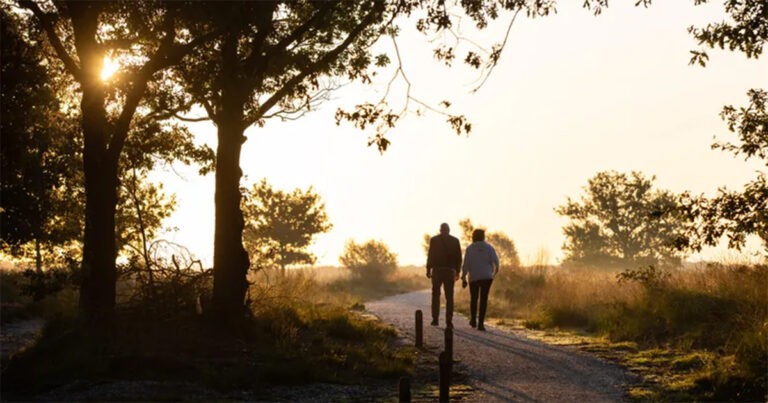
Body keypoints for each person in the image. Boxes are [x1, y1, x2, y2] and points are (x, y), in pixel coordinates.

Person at [461, 229, 499, 331]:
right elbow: (497, 262)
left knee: (474, 298)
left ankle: (473, 320)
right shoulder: (489, 247)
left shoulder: (470, 248)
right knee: (483, 299)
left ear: (473, 236)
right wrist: (493, 274)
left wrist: (463, 277)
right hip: (487, 277)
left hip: (474, 277)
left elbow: (466, 265)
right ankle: (481, 324)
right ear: (483, 236)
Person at [426, 223, 462, 328]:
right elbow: (459, 258)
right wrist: (458, 271)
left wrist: (428, 269)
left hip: (437, 270)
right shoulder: (455, 241)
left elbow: (430, 255)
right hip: (450, 271)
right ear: (449, 230)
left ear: (440, 230)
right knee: (449, 297)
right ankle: (449, 321)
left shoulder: (434, 240)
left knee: (436, 295)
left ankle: (435, 319)